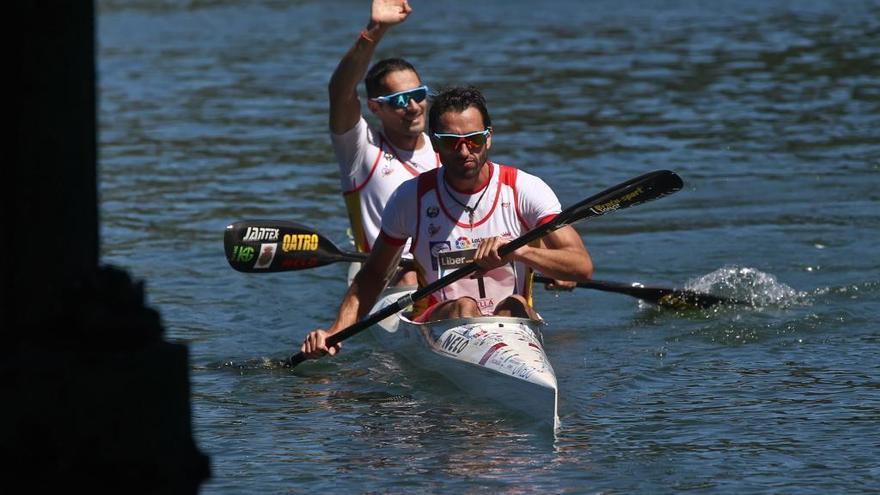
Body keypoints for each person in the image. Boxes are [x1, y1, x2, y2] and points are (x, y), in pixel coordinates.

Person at [302, 86, 593, 358]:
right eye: (452, 143)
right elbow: (373, 276)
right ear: (435, 145)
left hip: (513, 323)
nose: (465, 152)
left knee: (515, 305)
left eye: (474, 140)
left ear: (489, 137)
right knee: (463, 307)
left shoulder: (525, 189)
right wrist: (333, 333)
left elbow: (581, 266)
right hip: (438, 321)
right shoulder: (411, 198)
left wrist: (521, 252)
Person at [328, 0, 437, 287]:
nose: (414, 107)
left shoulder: (449, 149)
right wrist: (376, 30)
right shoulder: (361, 151)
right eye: (400, 100)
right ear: (376, 108)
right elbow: (340, 91)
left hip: (441, 272)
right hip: (388, 278)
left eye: (419, 94)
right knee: (412, 275)